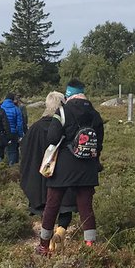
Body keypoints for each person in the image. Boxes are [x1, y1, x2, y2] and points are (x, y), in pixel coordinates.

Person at [36, 80, 104, 254]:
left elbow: (52, 138)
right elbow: (99, 144)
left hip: (63, 167)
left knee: (52, 205)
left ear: (68, 94)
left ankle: (43, 246)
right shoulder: (95, 114)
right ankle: (90, 246)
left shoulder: (62, 111)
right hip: (88, 168)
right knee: (86, 208)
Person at [20, 91, 78, 251]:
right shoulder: (67, 126)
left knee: (46, 207)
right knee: (65, 205)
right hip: (63, 175)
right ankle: (61, 231)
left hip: (39, 177)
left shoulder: (35, 128)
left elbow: (25, 151)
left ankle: (48, 237)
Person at [1, 92, 25, 165]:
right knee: (12, 151)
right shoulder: (16, 109)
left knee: (3, 151)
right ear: (12, 99)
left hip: (3, 132)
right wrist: (20, 135)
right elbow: (19, 124)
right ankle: (12, 166)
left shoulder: (1, 107)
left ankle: (1, 166)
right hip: (13, 132)